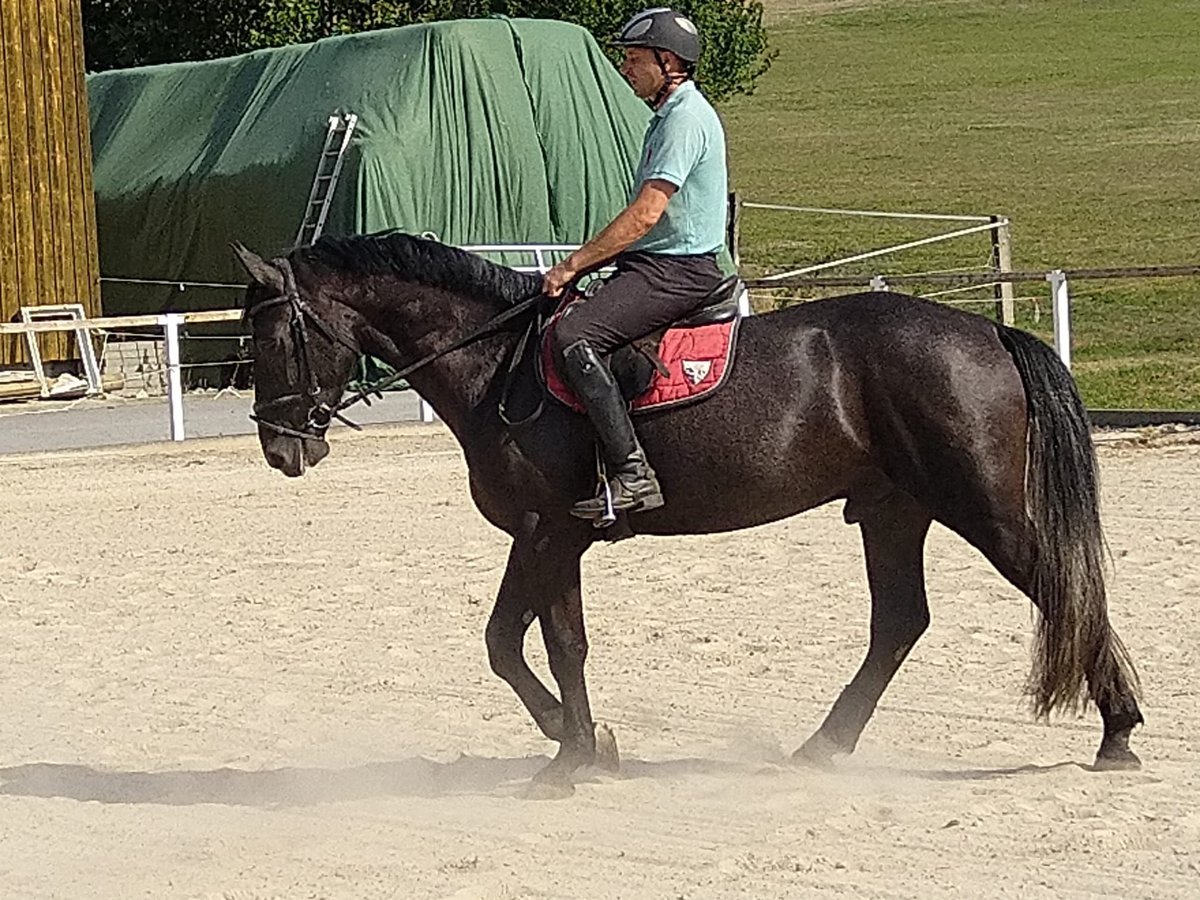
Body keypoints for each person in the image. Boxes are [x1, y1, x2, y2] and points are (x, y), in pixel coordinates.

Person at [544, 7, 729, 520]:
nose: (624, 67)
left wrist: (571, 265)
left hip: (680, 271)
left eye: (633, 58)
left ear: (667, 61)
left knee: (574, 335)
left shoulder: (686, 120)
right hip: (656, 265)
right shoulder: (667, 116)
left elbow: (645, 215)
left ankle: (632, 472)